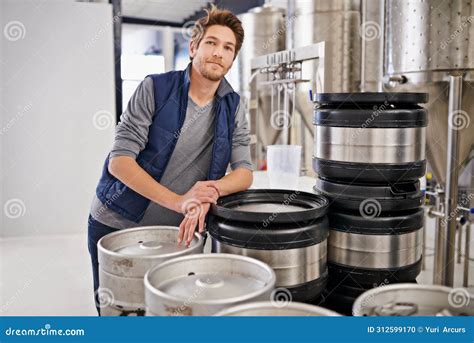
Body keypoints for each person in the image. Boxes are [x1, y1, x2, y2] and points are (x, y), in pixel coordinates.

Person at [87, 5, 252, 315]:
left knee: (168, 317)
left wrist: (209, 191)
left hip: (180, 235)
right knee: (119, 318)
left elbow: (244, 172)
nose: (218, 52)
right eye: (211, 43)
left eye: (228, 48)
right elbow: (119, 162)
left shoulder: (234, 106)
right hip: (118, 225)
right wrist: (180, 201)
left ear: (232, 59)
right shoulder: (155, 89)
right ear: (193, 48)